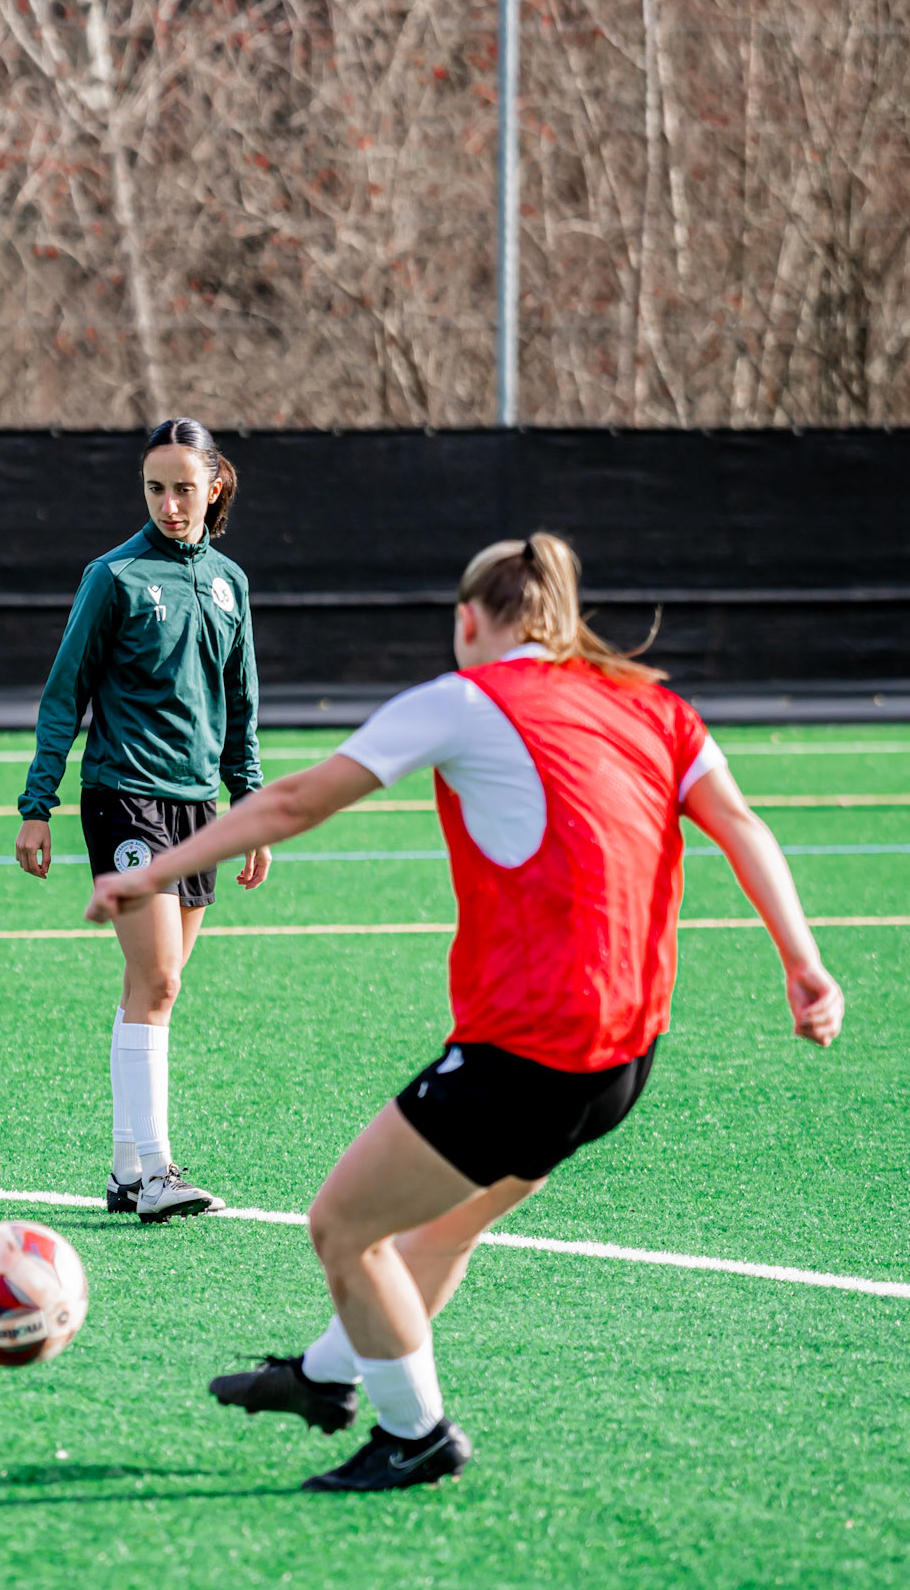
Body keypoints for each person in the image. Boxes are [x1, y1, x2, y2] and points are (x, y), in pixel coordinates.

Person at [86, 533, 845, 1491]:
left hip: (525, 1053)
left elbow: (292, 803)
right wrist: (803, 963)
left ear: (467, 620)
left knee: (341, 1228)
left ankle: (416, 1434)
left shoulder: (465, 698)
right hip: (623, 1058)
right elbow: (740, 823)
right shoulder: (654, 706)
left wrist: (152, 871)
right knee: (436, 1234)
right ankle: (325, 1376)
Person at [17, 417, 271, 1222]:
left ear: (214, 485)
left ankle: (126, 1167)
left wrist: (249, 803)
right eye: (155, 488)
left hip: (198, 806)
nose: (168, 503)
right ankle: (160, 1173)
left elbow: (241, 706)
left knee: (152, 986)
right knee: (158, 979)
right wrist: (37, 805)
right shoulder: (114, 576)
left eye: (183, 488)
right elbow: (65, 693)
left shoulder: (229, 582)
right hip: (124, 794)